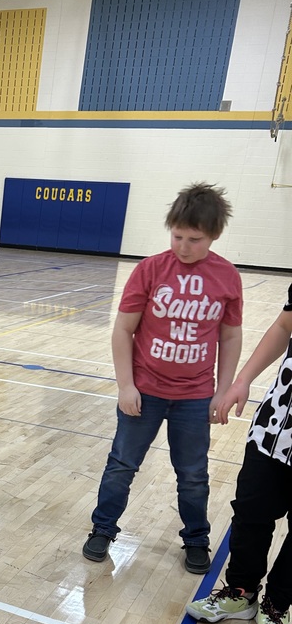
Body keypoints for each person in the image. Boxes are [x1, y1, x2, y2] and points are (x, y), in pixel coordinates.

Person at [82, 182, 243, 574]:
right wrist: (125, 384)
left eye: (194, 239)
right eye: (177, 236)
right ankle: (103, 528)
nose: (184, 246)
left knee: (193, 474)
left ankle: (195, 538)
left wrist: (222, 390)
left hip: (194, 397)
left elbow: (230, 335)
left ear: (215, 235)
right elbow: (123, 330)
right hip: (145, 392)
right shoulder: (150, 269)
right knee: (121, 464)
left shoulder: (227, 277)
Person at [186, 284, 292, 624]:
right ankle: (241, 592)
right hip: (275, 426)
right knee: (250, 512)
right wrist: (243, 379)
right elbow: (284, 325)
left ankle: (277, 607)